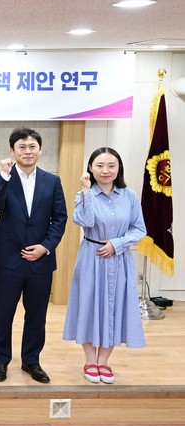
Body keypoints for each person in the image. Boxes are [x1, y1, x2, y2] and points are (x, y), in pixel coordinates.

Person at [0, 128, 67, 384]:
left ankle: (31, 361)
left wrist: (46, 246)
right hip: (8, 259)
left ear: (40, 150)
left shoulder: (52, 181)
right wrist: (4, 176)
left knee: (36, 314)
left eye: (32, 146)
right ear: (12, 151)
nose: (27, 151)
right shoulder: (1, 178)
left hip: (40, 260)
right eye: (22, 147)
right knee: (3, 313)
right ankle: (0, 361)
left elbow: (60, 218)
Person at [63, 147, 146, 384]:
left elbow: (139, 229)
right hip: (91, 257)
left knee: (115, 306)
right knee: (89, 306)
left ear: (119, 168)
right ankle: (90, 361)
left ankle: (104, 362)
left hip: (119, 259)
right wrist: (86, 191)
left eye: (111, 165)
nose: (105, 170)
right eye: (99, 165)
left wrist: (116, 244)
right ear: (90, 168)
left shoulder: (129, 196)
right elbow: (85, 221)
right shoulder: (84, 195)